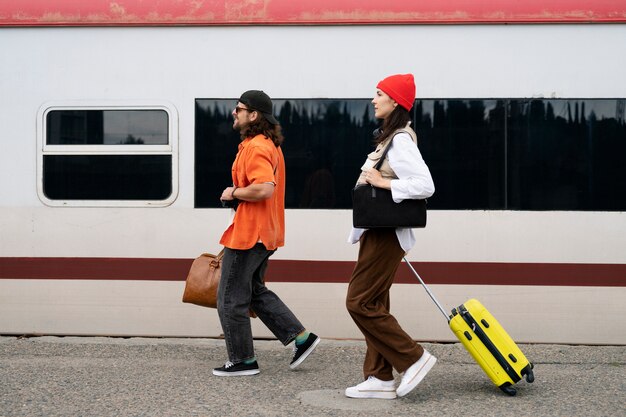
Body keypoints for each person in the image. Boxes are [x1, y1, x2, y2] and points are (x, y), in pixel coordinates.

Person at [213, 90, 320, 377]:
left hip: (250, 235)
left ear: (253, 115)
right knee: (253, 292)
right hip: (264, 232)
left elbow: (264, 188)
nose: (233, 113)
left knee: (229, 299)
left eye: (238, 109)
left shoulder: (257, 147)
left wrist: (233, 192)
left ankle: (243, 360)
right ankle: (300, 337)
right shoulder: (265, 144)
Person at [345, 74, 436, 399]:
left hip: (386, 234)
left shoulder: (399, 140)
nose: (374, 99)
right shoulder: (390, 138)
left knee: (358, 302)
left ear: (395, 101)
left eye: (379, 93)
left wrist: (384, 184)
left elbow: (426, 186)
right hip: (376, 231)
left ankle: (413, 358)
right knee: (376, 301)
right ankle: (380, 377)